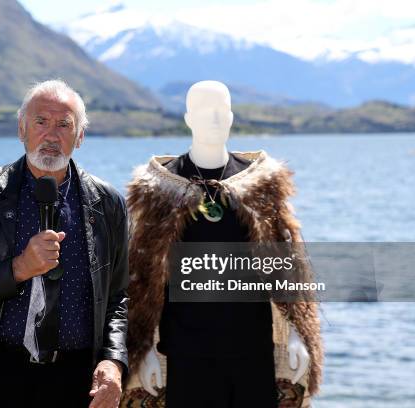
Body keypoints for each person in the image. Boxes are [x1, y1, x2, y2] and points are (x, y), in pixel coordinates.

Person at [122, 81, 323, 407]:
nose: (214, 119)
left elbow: (288, 266)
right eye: (204, 111)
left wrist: (298, 333)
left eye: (221, 111)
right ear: (188, 118)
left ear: (231, 116)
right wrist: (141, 350)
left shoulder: (261, 183)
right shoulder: (158, 187)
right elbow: (142, 279)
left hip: (253, 352)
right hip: (186, 355)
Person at [0, 79, 129, 408]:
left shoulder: (107, 204)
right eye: (41, 122)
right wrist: (19, 268)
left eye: (64, 124)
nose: (52, 135)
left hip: (76, 380)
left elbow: (120, 297)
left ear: (79, 137)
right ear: (22, 129)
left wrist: (113, 361)